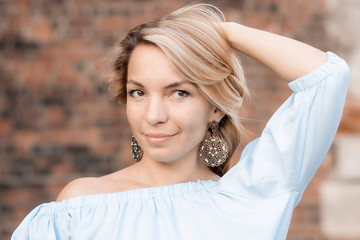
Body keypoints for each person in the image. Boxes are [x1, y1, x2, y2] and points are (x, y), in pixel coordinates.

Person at [12, 3, 349, 240]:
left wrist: (220, 32)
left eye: (179, 93)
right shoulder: (79, 207)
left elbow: (327, 78)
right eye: (138, 93)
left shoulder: (252, 197)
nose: (154, 116)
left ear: (215, 108)